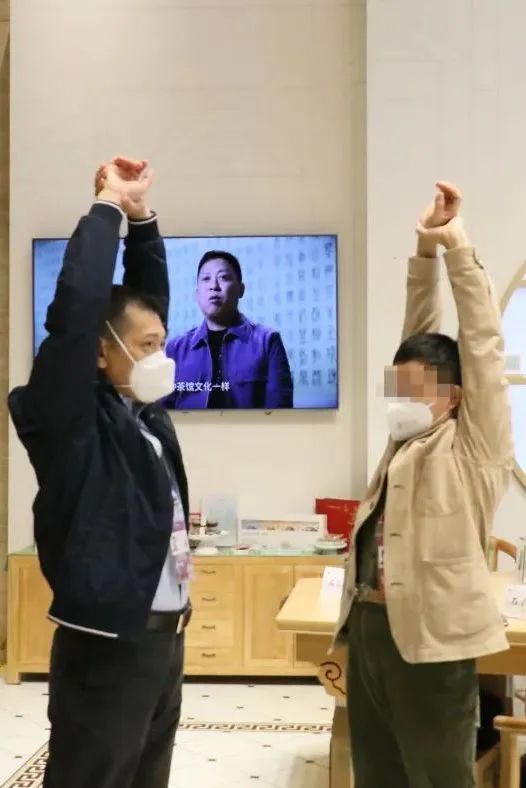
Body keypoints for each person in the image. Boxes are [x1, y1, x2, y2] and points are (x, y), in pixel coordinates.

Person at [9, 157, 192, 788]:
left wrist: (143, 225)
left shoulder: (141, 414)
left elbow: (145, 304)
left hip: (162, 642)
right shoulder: (68, 419)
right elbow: (79, 310)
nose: (159, 358)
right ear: (98, 351)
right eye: (146, 347)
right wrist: (108, 209)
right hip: (107, 644)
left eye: (161, 344)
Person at [332, 182, 513, 788]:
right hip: (371, 629)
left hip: (433, 643)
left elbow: (481, 347)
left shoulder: (471, 446)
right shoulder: (403, 441)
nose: (399, 401)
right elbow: (418, 330)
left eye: (415, 390)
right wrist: (423, 252)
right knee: (376, 773)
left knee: (436, 777)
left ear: (454, 396)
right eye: (397, 387)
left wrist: (457, 248)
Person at [165, 250, 294, 409]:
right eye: (206, 279)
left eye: (224, 277)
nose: (214, 286)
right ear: (197, 294)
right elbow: (162, 414)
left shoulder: (267, 342)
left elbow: (280, 412)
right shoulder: (176, 349)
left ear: (241, 289)